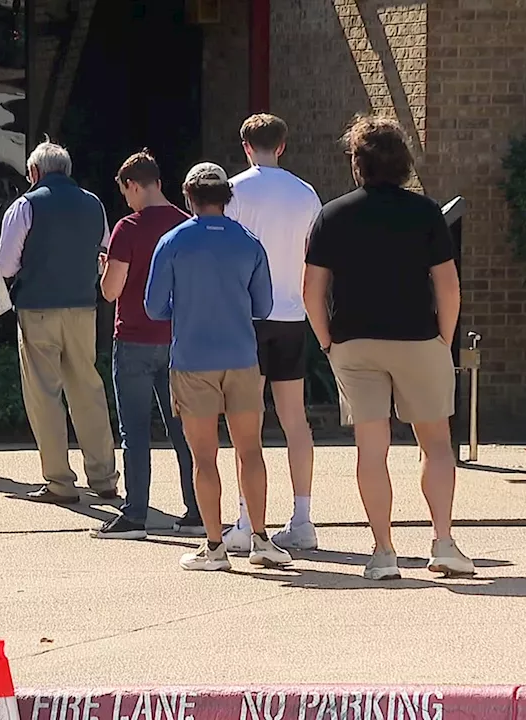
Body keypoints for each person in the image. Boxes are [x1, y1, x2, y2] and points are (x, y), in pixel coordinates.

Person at [303, 115, 474, 580]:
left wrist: (326, 341)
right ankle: (442, 541)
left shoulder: (332, 215)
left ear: (357, 163)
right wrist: (444, 335)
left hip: (354, 340)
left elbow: (311, 291)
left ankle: (383, 551)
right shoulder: (426, 214)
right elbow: (448, 285)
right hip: (419, 337)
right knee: (436, 444)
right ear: (403, 162)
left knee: (371, 449)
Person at [145, 162, 288, 572]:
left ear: (189, 198)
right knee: (250, 451)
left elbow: (154, 307)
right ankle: (260, 538)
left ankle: (214, 546)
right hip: (242, 359)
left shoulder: (172, 242)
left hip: (192, 361)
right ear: (227, 198)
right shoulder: (249, 243)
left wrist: (185, 307)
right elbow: (264, 306)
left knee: (203, 458)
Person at [221, 114, 323, 554]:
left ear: (246, 146)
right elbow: (311, 256)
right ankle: (302, 517)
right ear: (282, 146)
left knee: (247, 420)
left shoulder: (234, 190)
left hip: (247, 316)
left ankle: (247, 518)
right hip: (291, 315)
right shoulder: (306, 194)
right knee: (294, 417)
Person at [0, 140, 119, 504]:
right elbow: (105, 250)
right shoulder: (93, 203)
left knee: (45, 397)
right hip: (83, 308)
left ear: (34, 172)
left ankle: (59, 482)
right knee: (88, 391)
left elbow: (5, 266)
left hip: (38, 309)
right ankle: (104, 477)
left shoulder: (25, 205)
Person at [90, 150, 201, 540]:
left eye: (126, 192)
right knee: (184, 428)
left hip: (134, 337)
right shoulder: (187, 224)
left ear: (134, 185)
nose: (127, 199)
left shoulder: (128, 228)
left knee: (134, 430)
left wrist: (106, 270)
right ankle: (197, 509)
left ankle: (135, 513)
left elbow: (111, 291)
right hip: (177, 341)